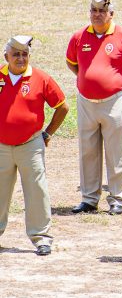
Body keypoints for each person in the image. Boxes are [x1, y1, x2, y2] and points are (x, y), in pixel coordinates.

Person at [66, 0, 122, 215]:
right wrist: (88, 80)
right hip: (86, 103)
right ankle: (89, 198)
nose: (97, 14)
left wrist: (120, 84)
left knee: (115, 150)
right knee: (87, 150)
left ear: (111, 14)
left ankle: (117, 198)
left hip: (113, 102)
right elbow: (73, 64)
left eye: (102, 11)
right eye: (94, 10)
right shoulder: (79, 36)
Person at [0, 36, 68, 256]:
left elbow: (63, 107)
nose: (21, 58)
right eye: (16, 54)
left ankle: (42, 238)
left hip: (30, 145)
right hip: (1, 146)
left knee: (37, 192)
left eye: (25, 54)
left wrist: (47, 133)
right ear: (6, 57)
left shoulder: (41, 78)